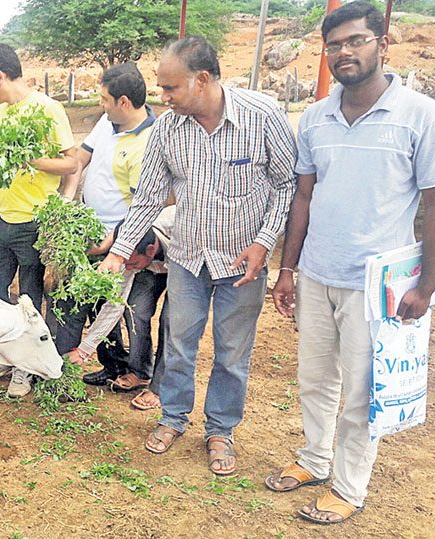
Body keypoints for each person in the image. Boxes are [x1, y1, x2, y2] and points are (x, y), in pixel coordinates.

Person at [265, 1, 435, 525]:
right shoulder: (317, 116)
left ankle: (348, 487)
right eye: (335, 44)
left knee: (362, 391)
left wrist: (427, 286)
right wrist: (287, 268)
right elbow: (303, 197)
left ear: (382, 44)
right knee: (315, 380)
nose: (344, 52)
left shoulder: (421, 116)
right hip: (319, 273)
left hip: (378, 285)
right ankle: (314, 460)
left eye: (356, 41)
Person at [100, 36, 297, 475]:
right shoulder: (169, 129)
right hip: (187, 259)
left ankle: (220, 430)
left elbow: (288, 185)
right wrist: (119, 250)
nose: (163, 98)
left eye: (170, 89)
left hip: (241, 265)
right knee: (181, 344)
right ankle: (172, 418)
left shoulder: (262, 117)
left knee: (231, 352)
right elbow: (149, 195)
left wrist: (264, 242)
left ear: (202, 79)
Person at [0, 43, 78, 398]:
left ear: (0, 75)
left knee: (29, 297)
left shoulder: (48, 109)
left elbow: (71, 162)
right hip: (3, 218)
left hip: (34, 222)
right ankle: (8, 357)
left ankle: (26, 369)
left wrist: (32, 161)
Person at [56, 63, 159, 389]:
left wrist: (115, 244)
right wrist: (68, 197)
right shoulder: (108, 121)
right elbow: (81, 158)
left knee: (124, 305)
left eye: (104, 99)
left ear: (124, 102)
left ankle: (137, 369)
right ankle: (111, 364)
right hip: (91, 226)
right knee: (97, 301)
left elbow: (143, 206)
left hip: (124, 238)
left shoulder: (145, 144)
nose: (100, 104)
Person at [68, 206, 175, 411]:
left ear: (151, 250)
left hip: (186, 263)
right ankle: (141, 371)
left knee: (171, 321)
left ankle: (160, 387)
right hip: (151, 266)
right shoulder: (130, 252)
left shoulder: (178, 230)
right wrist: (84, 350)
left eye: (131, 261)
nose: (127, 265)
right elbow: (115, 303)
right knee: (135, 310)